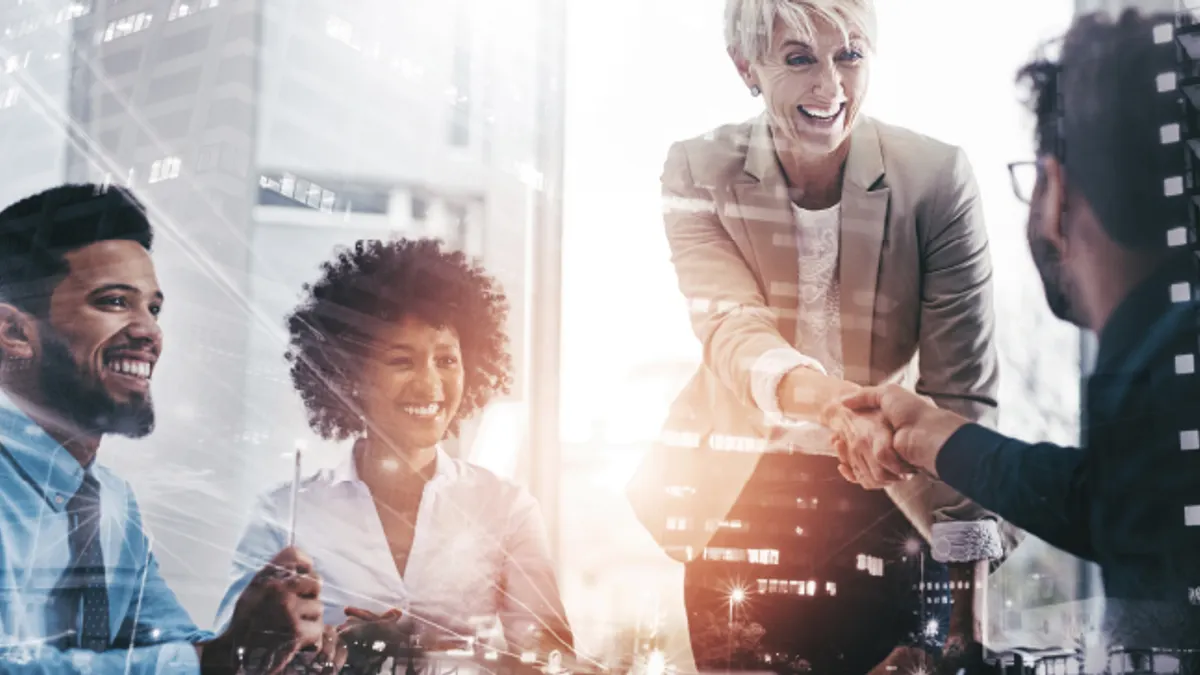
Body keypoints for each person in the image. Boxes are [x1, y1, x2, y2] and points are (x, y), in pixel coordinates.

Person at [625, 0, 1018, 671]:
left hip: (895, 497)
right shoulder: (697, 171)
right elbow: (731, 330)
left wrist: (968, 624)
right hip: (740, 501)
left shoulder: (936, 180)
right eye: (799, 58)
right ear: (746, 66)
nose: (830, 88)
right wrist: (837, 406)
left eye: (850, 55)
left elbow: (962, 402)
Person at [830, 8, 1200, 661]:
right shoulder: (1172, 374)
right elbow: (1116, 502)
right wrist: (939, 436)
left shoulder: (1155, 361)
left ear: (1055, 192)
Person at [0, 184, 339, 675]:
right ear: (13, 333)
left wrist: (270, 647)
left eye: (153, 308)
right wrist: (219, 656)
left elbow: (178, 648)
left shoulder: (110, 504)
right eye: (115, 301)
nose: (149, 331)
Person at [214, 239, 573, 661]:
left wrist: (435, 657)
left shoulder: (505, 509)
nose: (430, 384)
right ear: (349, 374)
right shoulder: (284, 516)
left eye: (447, 360)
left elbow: (553, 660)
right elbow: (230, 659)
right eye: (402, 361)